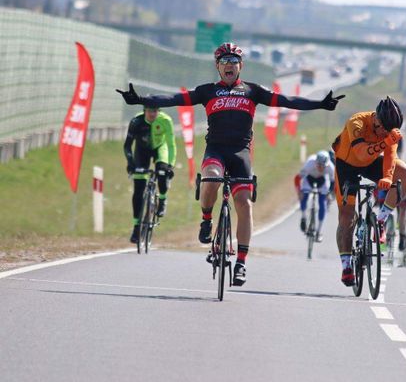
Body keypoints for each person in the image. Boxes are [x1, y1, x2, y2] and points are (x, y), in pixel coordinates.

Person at [117, 42, 345, 286]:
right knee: (212, 178)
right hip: (216, 150)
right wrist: (141, 99)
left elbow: (286, 100)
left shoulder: (252, 91)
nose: (229, 66)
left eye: (234, 62)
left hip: (240, 153)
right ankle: (206, 219)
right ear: (217, 66)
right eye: (224, 62)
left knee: (244, 204)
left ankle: (241, 263)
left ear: (240, 66)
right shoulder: (207, 91)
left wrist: (319, 103)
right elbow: (174, 98)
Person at [332, 96, 406, 286]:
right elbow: (360, 153)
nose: (385, 132)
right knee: (346, 216)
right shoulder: (357, 122)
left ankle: (381, 219)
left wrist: (387, 176)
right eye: (383, 128)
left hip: (371, 162)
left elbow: (390, 155)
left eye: (389, 130)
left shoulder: (390, 130)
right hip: (347, 165)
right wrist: (385, 142)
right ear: (376, 118)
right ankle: (346, 266)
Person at [123, 105, 176, 244]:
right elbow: (127, 145)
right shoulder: (136, 122)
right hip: (142, 151)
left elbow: (171, 144)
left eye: (155, 111)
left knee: (162, 173)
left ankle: (163, 199)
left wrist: (170, 164)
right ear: (144, 111)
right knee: (139, 188)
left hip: (160, 148)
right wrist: (130, 163)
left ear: (159, 111)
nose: (152, 114)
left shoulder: (166, 120)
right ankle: (136, 227)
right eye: (149, 111)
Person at [296, 150, 335, 242]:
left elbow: (333, 183)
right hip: (309, 178)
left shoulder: (330, 168)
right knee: (304, 197)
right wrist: (299, 191)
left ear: (327, 165)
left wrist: (329, 194)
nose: (320, 168)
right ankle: (303, 217)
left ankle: (318, 231)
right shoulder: (310, 163)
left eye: (323, 166)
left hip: (322, 181)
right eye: (318, 165)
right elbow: (297, 178)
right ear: (315, 162)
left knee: (323, 204)